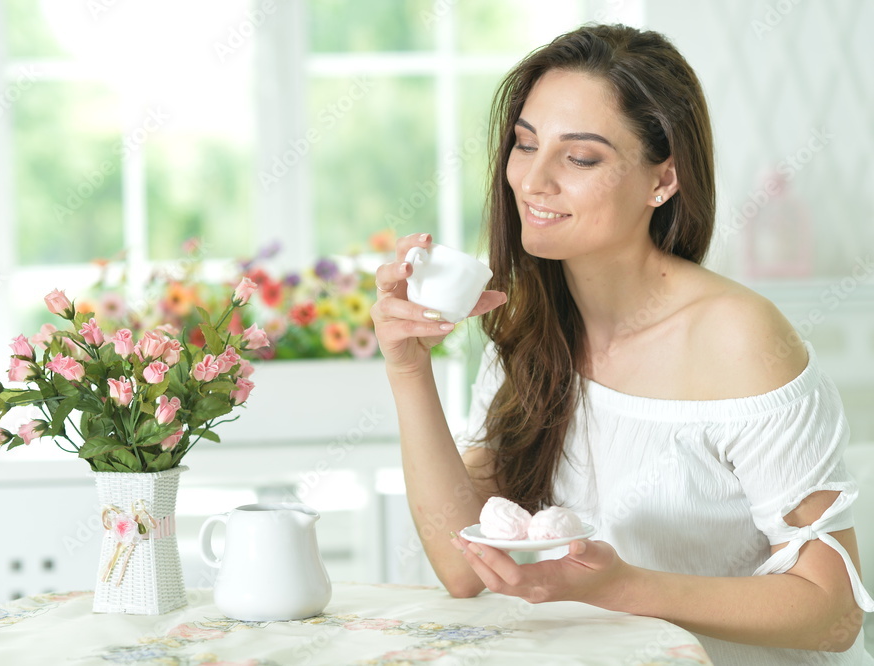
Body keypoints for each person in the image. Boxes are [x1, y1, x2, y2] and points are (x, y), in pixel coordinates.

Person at [370, 23, 873, 664]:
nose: (532, 180)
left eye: (580, 158)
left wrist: (623, 587)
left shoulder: (738, 338)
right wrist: (407, 367)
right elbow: (465, 568)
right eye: (525, 145)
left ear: (663, 179)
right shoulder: (530, 329)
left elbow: (833, 617)